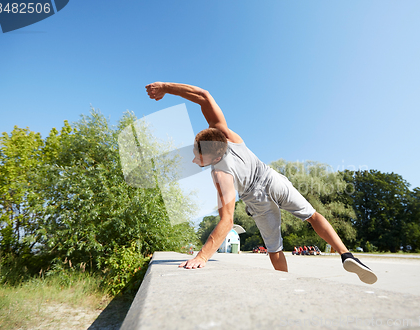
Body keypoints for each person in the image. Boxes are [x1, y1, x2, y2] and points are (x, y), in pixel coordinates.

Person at [145, 82, 377, 285]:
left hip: (257, 200)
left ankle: (287, 286)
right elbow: (204, 96)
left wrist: (202, 256)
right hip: (271, 178)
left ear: (215, 158)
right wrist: (166, 87)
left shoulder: (220, 174)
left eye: (199, 156)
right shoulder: (225, 135)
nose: (194, 158)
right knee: (313, 216)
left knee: (274, 250)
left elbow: (227, 221)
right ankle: (346, 255)